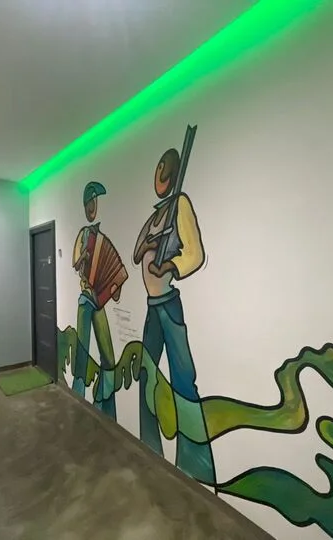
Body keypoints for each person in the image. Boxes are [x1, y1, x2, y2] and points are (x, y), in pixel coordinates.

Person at [133, 148, 216, 485]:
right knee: (147, 374)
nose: (160, 176)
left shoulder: (180, 204)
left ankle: (196, 466)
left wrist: (168, 264)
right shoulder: (157, 215)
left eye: (164, 169)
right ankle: (149, 445)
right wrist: (147, 247)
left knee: (183, 380)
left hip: (168, 304)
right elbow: (137, 250)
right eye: (158, 169)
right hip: (152, 307)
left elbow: (195, 253)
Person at [72, 181, 123, 419]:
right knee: (82, 353)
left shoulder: (102, 239)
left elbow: (115, 285)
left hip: (99, 302)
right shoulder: (83, 235)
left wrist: (114, 286)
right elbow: (76, 264)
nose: (93, 208)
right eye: (90, 203)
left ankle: (105, 405)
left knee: (109, 358)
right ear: (86, 205)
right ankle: (77, 399)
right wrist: (83, 256)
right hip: (85, 299)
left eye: (95, 203)